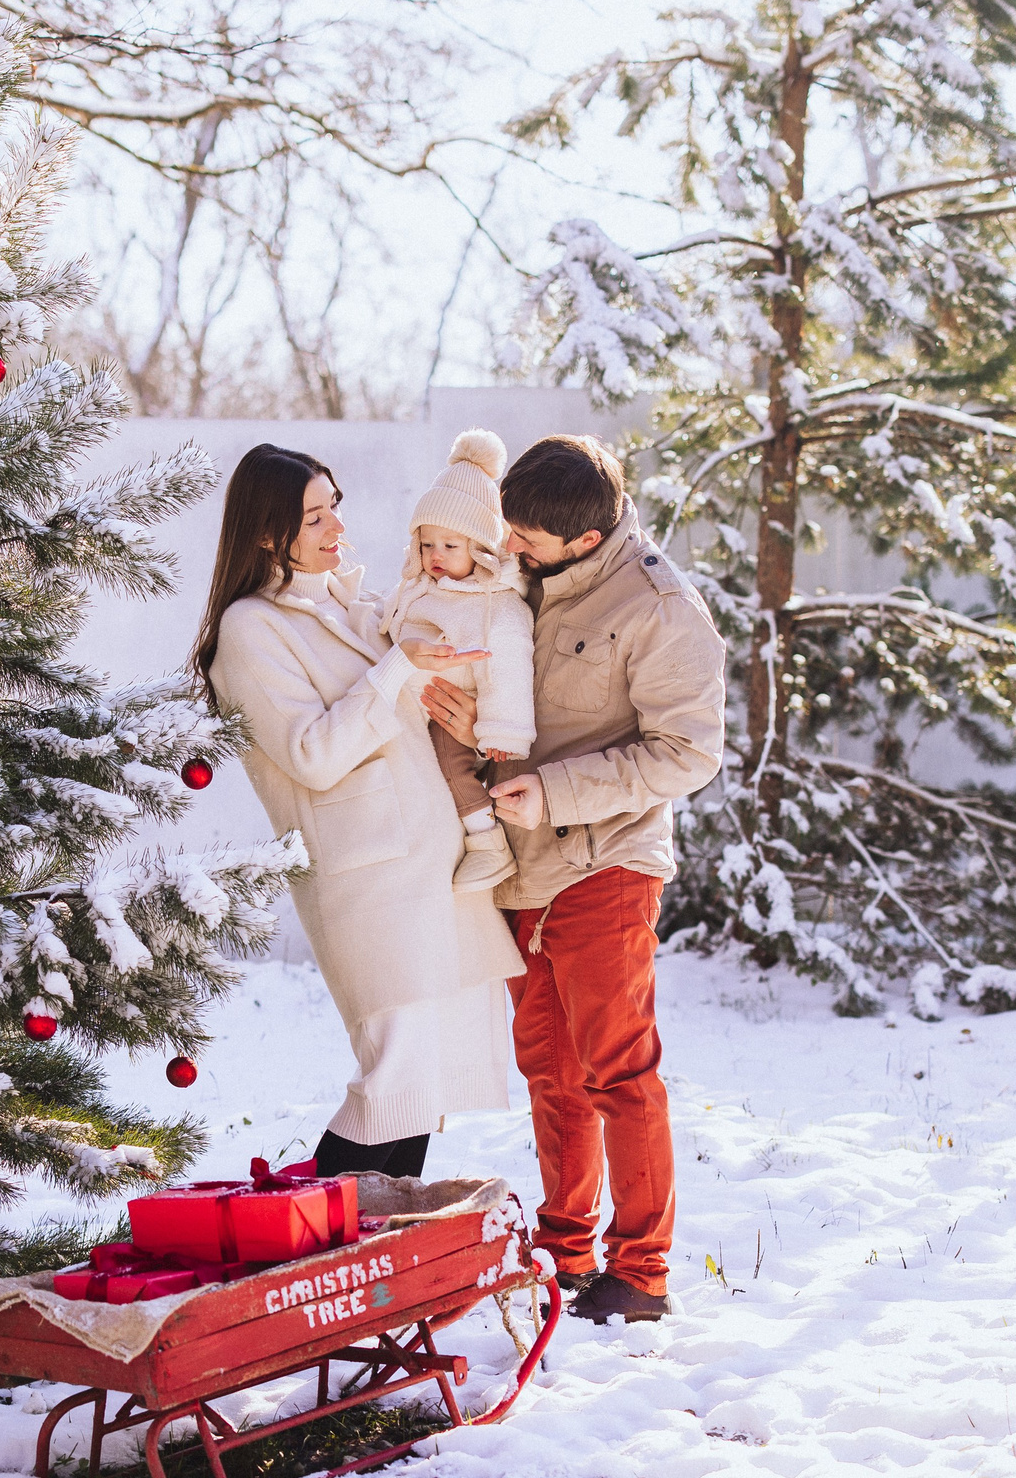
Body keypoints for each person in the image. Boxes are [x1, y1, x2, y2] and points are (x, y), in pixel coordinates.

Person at [421, 434, 726, 1324]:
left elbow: (688, 752)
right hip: (523, 866)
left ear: (586, 541)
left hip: (605, 860)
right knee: (550, 1070)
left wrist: (554, 791)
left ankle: (642, 1273)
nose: (509, 547)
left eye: (528, 540)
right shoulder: (518, 574)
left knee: (616, 1071)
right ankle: (565, 1251)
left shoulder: (663, 609)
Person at [193, 444, 525, 1179]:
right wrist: (400, 664)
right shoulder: (251, 631)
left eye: (333, 504)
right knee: (396, 1078)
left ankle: (374, 1260)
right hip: (369, 883)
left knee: (426, 1083)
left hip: (433, 863)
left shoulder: (360, 602)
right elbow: (310, 753)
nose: (336, 526)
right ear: (265, 533)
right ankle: (305, 1244)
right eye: (314, 517)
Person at [376, 430, 536, 893]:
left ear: (481, 548)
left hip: (455, 709)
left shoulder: (497, 605)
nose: (436, 557)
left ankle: (488, 844)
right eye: (427, 545)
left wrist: (502, 730)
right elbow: (390, 619)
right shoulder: (419, 586)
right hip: (416, 706)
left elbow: (507, 668)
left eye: (451, 546)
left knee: (452, 766)